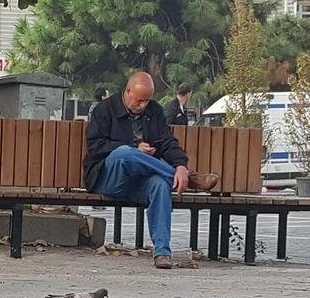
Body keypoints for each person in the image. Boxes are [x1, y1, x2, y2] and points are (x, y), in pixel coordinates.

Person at [82, 72, 218, 269]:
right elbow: (96, 146)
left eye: (147, 101)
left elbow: (167, 142)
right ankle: (190, 180)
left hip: (140, 180)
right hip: (108, 177)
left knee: (161, 185)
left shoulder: (154, 111)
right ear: (128, 91)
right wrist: (134, 147)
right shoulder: (105, 109)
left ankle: (162, 252)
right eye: (139, 100)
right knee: (125, 153)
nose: (143, 105)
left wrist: (180, 165)